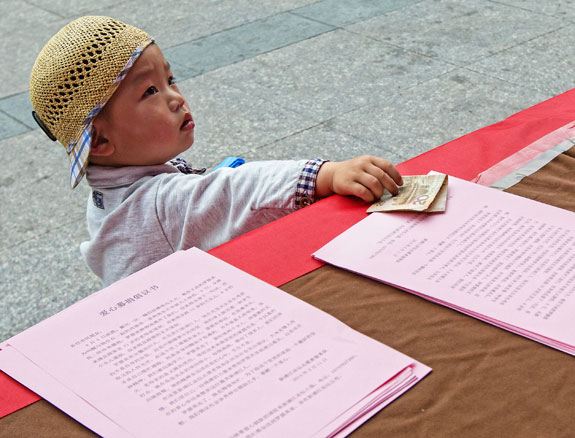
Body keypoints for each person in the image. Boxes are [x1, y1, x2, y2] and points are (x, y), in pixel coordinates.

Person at [30, 16, 403, 287]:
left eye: (170, 80)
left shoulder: (109, 189)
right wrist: (326, 175)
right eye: (150, 92)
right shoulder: (156, 203)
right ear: (100, 142)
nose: (176, 98)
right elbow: (232, 192)